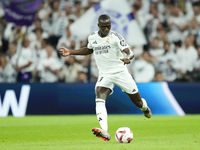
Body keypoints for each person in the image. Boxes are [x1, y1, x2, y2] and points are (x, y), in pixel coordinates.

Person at [58, 14, 152, 141]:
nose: (107, 29)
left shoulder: (115, 37)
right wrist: (71, 52)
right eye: (104, 27)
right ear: (98, 26)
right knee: (99, 96)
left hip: (120, 72)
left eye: (108, 26)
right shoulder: (92, 37)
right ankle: (105, 131)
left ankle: (144, 108)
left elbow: (130, 52)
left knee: (138, 102)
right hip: (105, 74)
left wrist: (128, 58)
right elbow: (89, 49)